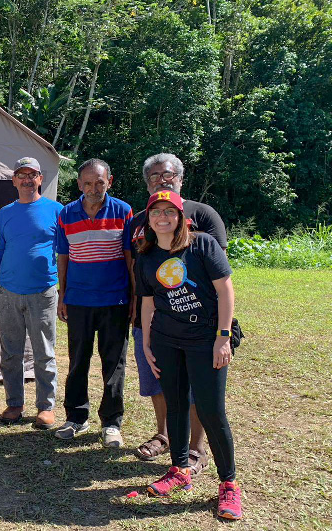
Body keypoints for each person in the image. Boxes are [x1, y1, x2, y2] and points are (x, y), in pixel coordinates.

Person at [136, 190, 242, 520]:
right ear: (149, 219)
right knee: (177, 406)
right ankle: (179, 470)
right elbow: (148, 302)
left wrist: (223, 338)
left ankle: (229, 485)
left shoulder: (202, 245)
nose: (162, 217)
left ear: (181, 217)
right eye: (156, 212)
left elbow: (225, 290)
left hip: (205, 340)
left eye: (170, 211)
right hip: (168, 341)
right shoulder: (146, 254)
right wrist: (146, 344)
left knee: (211, 411)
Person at [130, 153, 228, 475]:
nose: (162, 178)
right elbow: (140, 279)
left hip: (202, 329)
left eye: (168, 173)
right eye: (155, 175)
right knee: (164, 388)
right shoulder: (138, 224)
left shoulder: (204, 218)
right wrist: (142, 329)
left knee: (202, 395)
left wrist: (222, 333)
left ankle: (198, 449)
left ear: (180, 178)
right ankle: (168, 440)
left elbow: (220, 279)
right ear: (147, 183)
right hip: (159, 327)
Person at [55, 159, 133, 447]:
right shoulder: (66, 214)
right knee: (78, 361)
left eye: (99, 182)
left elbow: (130, 258)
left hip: (115, 299)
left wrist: (134, 298)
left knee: (114, 363)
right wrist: (63, 296)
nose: (94, 188)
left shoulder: (123, 211)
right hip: (79, 301)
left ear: (109, 182)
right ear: (79, 184)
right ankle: (76, 417)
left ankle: (111, 424)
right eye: (87, 182)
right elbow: (63, 258)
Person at [0, 157, 63, 429]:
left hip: (43, 291)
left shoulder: (56, 210)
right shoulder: (4, 213)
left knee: (43, 352)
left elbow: (66, 253)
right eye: (21, 175)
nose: (26, 179)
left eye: (32, 174)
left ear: (40, 179)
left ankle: (46, 407)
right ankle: (14, 403)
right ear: (13, 180)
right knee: (10, 352)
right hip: (8, 291)